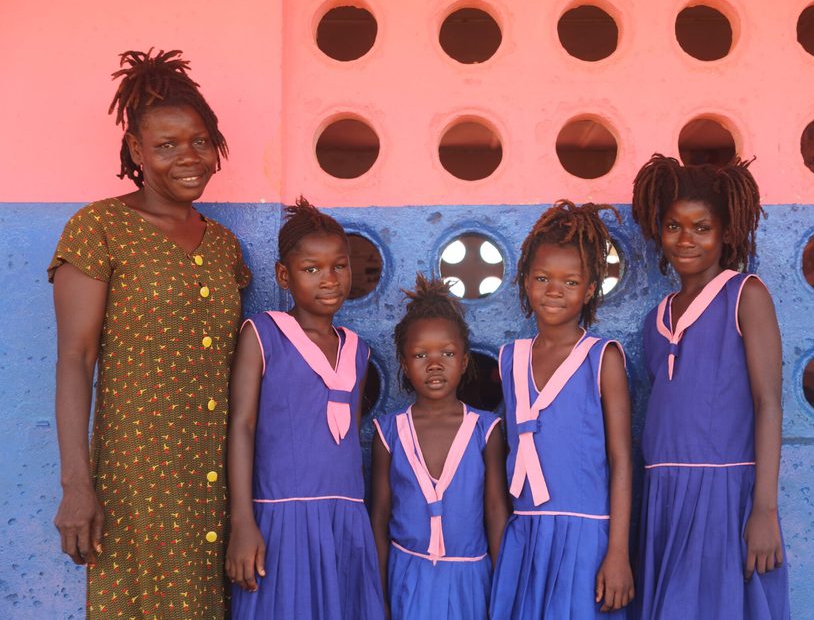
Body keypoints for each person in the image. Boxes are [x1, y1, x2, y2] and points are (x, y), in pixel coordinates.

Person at [49, 48, 250, 618]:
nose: (188, 157)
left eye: (199, 141)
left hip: (214, 481)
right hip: (135, 479)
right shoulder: (100, 228)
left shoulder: (224, 245)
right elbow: (75, 358)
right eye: (165, 146)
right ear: (136, 151)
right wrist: (77, 485)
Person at [630, 154, 790, 620]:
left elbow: (768, 404)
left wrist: (763, 510)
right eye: (674, 226)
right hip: (663, 494)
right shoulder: (655, 318)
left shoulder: (746, 295)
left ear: (726, 233)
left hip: (724, 493)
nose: (686, 239)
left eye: (702, 227)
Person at [226, 198, 384, 619]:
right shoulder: (262, 335)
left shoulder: (357, 351)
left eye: (339, 266)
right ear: (284, 275)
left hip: (344, 522)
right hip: (280, 521)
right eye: (311, 269)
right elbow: (241, 426)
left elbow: (349, 439)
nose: (328, 279)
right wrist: (242, 522)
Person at [490, 200, 634, 619]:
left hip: (586, 537)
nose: (554, 290)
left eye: (570, 282)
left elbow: (621, 460)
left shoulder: (602, 359)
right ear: (524, 282)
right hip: (527, 536)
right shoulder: (510, 359)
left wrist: (618, 551)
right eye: (542, 278)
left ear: (590, 289)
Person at [370, 274, 509, 619]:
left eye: (447, 353)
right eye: (420, 355)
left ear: (463, 361)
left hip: (471, 581)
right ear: (403, 363)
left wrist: (502, 593)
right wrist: (380, 596)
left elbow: (495, 511)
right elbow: (379, 517)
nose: (434, 364)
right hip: (407, 578)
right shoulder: (389, 432)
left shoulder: (485, 430)